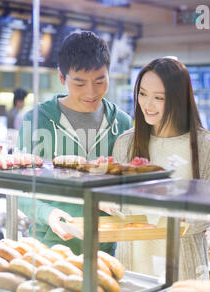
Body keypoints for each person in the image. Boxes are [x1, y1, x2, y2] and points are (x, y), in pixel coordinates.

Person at [17, 31, 133, 255]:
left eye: (100, 81)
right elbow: (20, 189)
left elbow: (128, 184)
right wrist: (47, 214)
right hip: (48, 248)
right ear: (62, 78)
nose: (91, 92)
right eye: (79, 83)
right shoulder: (37, 120)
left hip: (106, 249)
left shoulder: (122, 122)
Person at [112, 57, 210, 280]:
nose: (147, 104)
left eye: (159, 98)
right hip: (134, 265)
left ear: (178, 99)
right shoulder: (126, 143)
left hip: (183, 267)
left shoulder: (205, 145)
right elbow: (119, 205)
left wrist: (178, 222)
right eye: (142, 94)